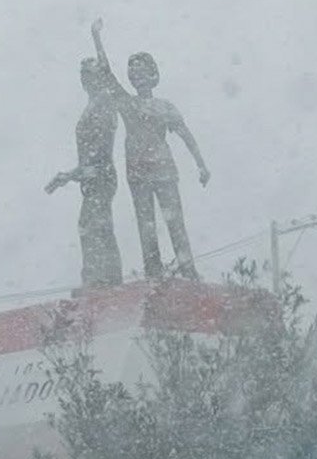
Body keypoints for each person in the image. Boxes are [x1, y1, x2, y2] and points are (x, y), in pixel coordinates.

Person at [91, 18, 210, 280]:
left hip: (164, 169)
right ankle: (153, 272)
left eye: (142, 71)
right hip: (138, 172)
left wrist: (201, 165)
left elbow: (186, 136)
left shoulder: (165, 106)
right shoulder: (127, 103)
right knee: (146, 226)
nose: (137, 76)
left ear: (153, 75)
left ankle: (188, 269)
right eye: (133, 72)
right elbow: (106, 73)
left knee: (175, 222)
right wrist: (96, 37)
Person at [45, 55, 124, 288]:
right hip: (93, 177)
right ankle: (102, 279)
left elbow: (99, 153)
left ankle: (102, 280)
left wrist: (71, 175)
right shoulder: (94, 105)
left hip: (100, 175)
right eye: (82, 75)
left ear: (99, 77)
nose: (84, 79)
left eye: (89, 74)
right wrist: (73, 175)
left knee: (94, 226)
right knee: (94, 225)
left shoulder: (103, 104)